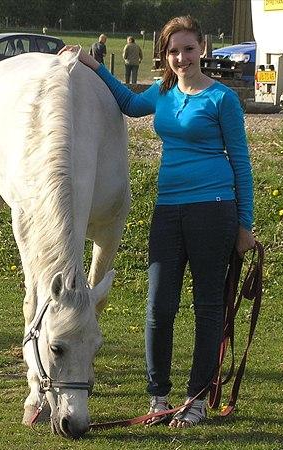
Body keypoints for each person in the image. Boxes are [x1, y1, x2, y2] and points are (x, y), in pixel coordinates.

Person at [60, 15, 256, 428]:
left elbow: (241, 164)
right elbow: (130, 105)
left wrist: (245, 225)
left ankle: (196, 400)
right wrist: (94, 66)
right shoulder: (164, 92)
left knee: (207, 307)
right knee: (157, 307)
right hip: (169, 210)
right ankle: (158, 397)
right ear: (164, 56)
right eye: (173, 51)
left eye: (188, 48)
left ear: (202, 47)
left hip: (214, 209)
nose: (181, 57)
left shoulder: (222, 100)